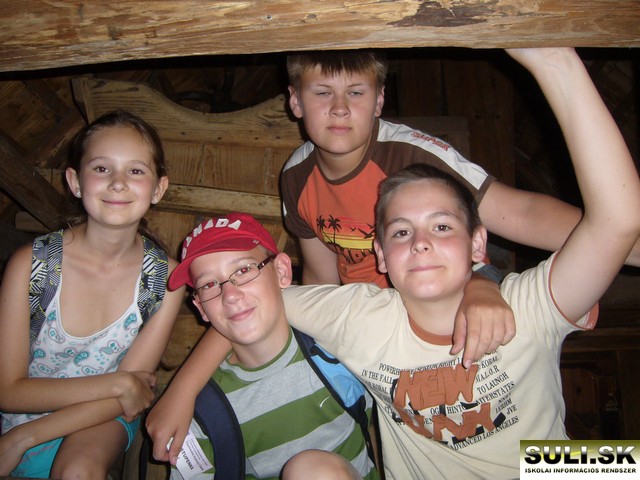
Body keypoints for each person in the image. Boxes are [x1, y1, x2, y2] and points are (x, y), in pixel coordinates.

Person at [278, 48, 640, 478]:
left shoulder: (525, 310)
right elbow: (283, 291)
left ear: (477, 242)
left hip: (537, 467)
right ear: (380, 252)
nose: (421, 243)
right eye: (401, 231)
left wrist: (556, 62)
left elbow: (592, 220)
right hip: (377, 340)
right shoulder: (361, 323)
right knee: (308, 469)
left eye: (442, 226)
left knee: (620, 463)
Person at [280, 47, 640, 288]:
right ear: (295, 101)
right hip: (368, 325)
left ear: (379, 100)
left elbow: (521, 211)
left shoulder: (412, 155)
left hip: (439, 303)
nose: (339, 108)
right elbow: (321, 278)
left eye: (356, 92)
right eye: (322, 92)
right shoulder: (296, 177)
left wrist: (626, 245)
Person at [0, 110, 184, 478]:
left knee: (78, 470)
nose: (118, 183)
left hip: (104, 414)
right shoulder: (34, 266)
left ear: (158, 188)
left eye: (136, 171)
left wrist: (25, 437)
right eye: (102, 168)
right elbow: (8, 390)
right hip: (21, 414)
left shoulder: (163, 279)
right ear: (75, 181)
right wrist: (118, 381)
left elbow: (130, 397)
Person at [163, 212, 379, 480]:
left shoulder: (336, 349)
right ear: (200, 308)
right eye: (208, 285)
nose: (230, 295)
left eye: (243, 270)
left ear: (281, 272)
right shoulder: (201, 410)